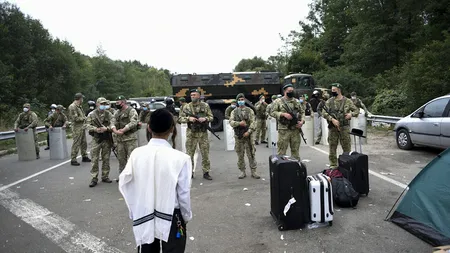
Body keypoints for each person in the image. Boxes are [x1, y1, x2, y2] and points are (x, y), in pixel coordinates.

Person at [119, 109, 192, 253]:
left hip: (144, 213)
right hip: (172, 216)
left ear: (149, 127)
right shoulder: (181, 158)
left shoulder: (136, 154)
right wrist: (185, 216)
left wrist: (134, 211)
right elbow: (183, 194)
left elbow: (126, 184)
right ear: (172, 129)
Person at [178, 89, 213, 180]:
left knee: (205, 153)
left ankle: (206, 172)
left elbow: (211, 117)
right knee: (189, 154)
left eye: (194, 95)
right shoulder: (186, 107)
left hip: (203, 134)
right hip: (191, 133)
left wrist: (205, 119)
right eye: (191, 95)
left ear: (199, 96)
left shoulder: (205, 106)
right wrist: (188, 119)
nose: (192, 96)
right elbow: (179, 119)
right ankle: (190, 172)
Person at [322, 83, 359, 169]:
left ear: (339, 90)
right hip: (333, 128)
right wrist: (332, 119)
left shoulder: (347, 101)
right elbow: (324, 113)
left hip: (344, 127)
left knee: (346, 147)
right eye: (332, 90)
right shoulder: (329, 101)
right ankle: (333, 165)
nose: (332, 92)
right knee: (332, 148)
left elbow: (356, 110)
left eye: (334, 90)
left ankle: (346, 165)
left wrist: (351, 114)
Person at [270, 84, 306, 160]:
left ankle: (296, 168)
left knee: (295, 151)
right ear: (285, 91)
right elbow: (272, 112)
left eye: (292, 91)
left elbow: (302, 112)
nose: (291, 92)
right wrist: (283, 114)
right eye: (289, 91)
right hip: (283, 130)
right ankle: (281, 169)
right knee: (281, 152)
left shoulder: (296, 101)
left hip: (295, 130)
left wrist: (302, 121)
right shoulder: (278, 101)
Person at [85, 97, 114, 187]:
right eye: (101, 104)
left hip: (106, 138)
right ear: (97, 104)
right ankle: (94, 178)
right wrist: (95, 129)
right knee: (94, 159)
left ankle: (105, 176)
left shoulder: (108, 114)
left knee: (106, 158)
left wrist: (107, 128)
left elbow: (113, 123)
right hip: (96, 139)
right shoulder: (92, 114)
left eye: (104, 104)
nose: (103, 106)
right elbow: (86, 125)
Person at [229, 93, 260, 179]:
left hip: (248, 136)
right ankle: (242, 171)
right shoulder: (234, 112)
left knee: (251, 153)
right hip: (238, 136)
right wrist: (239, 123)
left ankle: (254, 171)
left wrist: (249, 132)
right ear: (237, 101)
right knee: (240, 154)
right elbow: (231, 122)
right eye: (239, 100)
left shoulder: (249, 110)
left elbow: (254, 122)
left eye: (242, 100)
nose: (241, 101)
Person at [111, 95, 139, 181]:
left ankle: (134, 177)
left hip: (130, 139)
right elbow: (112, 121)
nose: (117, 104)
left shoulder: (131, 111)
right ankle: (122, 176)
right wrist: (114, 130)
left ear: (123, 102)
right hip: (120, 140)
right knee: (121, 159)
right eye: (116, 103)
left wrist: (124, 129)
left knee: (132, 159)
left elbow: (134, 122)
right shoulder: (117, 112)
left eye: (118, 103)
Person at [68, 93, 91, 166]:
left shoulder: (79, 106)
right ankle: (73, 159)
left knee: (84, 142)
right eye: (82, 98)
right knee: (76, 143)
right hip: (76, 128)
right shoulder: (72, 107)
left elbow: (82, 115)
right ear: (79, 99)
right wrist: (84, 118)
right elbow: (75, 118)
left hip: (82, 127)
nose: (82, 100)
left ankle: (84, 156)